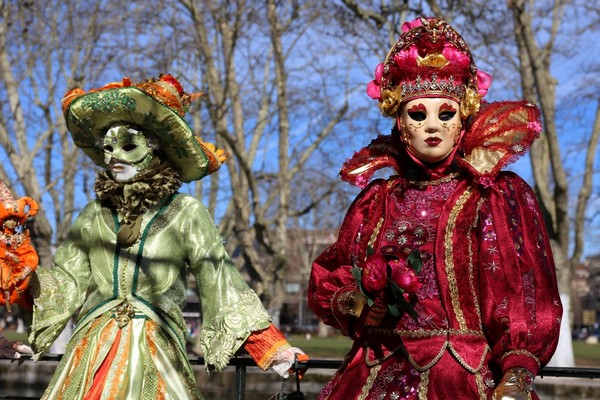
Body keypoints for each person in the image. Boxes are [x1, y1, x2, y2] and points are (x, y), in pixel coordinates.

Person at [308, 17, 562, 400]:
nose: (432, 126)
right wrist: (357, 301)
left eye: (445, 113)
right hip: (375, 369)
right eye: (417, 114)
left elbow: (522, 293)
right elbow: (334, 272)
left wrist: (517, 372)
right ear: (401, 123)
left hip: (459, 379)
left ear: (462, 119)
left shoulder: (491, 195)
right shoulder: (378, 199)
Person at [28, 74, 306, 399]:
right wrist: (20, 277)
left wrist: (271, 347)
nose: (114, 156)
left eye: (128, 145)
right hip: (91, 351)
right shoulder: (94, 214)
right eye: (107, 147)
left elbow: (218, 278)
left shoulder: (186, 212)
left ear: (154, 146)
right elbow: (67, 280)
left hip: (156, 347)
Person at [0, 196, 39, 313]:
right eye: (9, 219)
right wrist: (7, 255)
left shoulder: (20, 238)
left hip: (17, 268)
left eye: (14, 219)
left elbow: (28, 253)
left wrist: (26, 270)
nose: (12, 222)